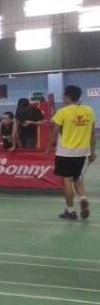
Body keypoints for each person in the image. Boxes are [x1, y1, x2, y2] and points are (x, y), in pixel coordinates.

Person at [46, 85, 95, 220]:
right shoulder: (89, 111)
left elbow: (54, 132)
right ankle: (83, 197)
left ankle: (71, 211)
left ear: (67, 97)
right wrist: (92, 152)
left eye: (63, 95)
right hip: (82, 152)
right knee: (76, 177)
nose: (63, 98)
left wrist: (48, 148)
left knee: (67, 180)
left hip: (65, 152)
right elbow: (92, 134)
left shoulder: (62, 112)